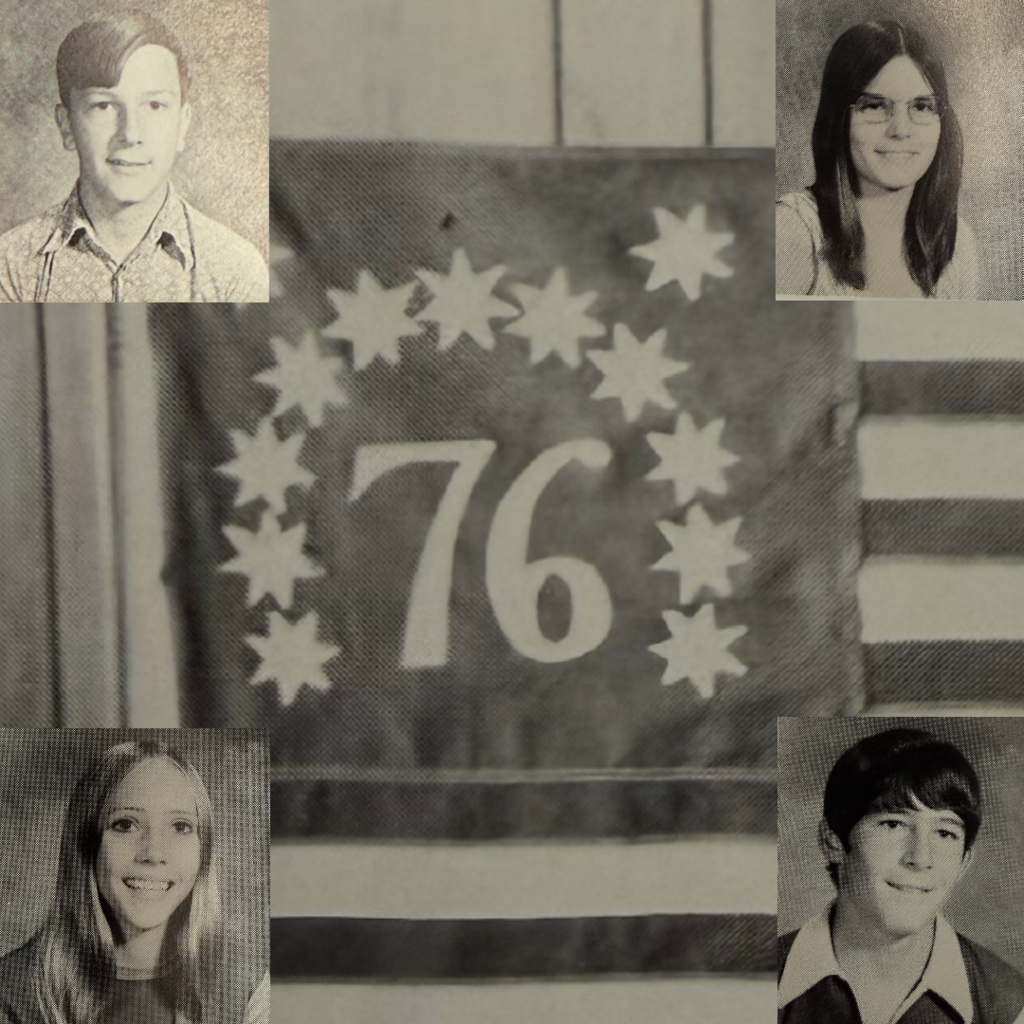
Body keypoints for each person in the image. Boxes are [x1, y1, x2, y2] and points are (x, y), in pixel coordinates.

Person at [0, 11, 268, 302]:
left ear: (182, 124)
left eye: (154, 105)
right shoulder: (12, 264)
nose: (130, 133)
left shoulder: (235, 271)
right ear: (66, 126)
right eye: (103, 106)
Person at [0, 741, 268, 1024]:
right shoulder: (13, 993)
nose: (153, 853)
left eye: (180, 826)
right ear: (87, 844)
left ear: (203, 850)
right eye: (125, 824)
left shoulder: (247, 984)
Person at [778, 727, 1024, 1024]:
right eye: (893, 824)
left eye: (945, 832)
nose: (920, 859)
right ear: (833, 841)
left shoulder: (1008, 1004)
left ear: (964, 861)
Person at [776, 21, 978, 299]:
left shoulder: (959, 245)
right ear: (839, 119)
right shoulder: (793, 233)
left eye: (921, 106)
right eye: (874, 106)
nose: (900, 130)